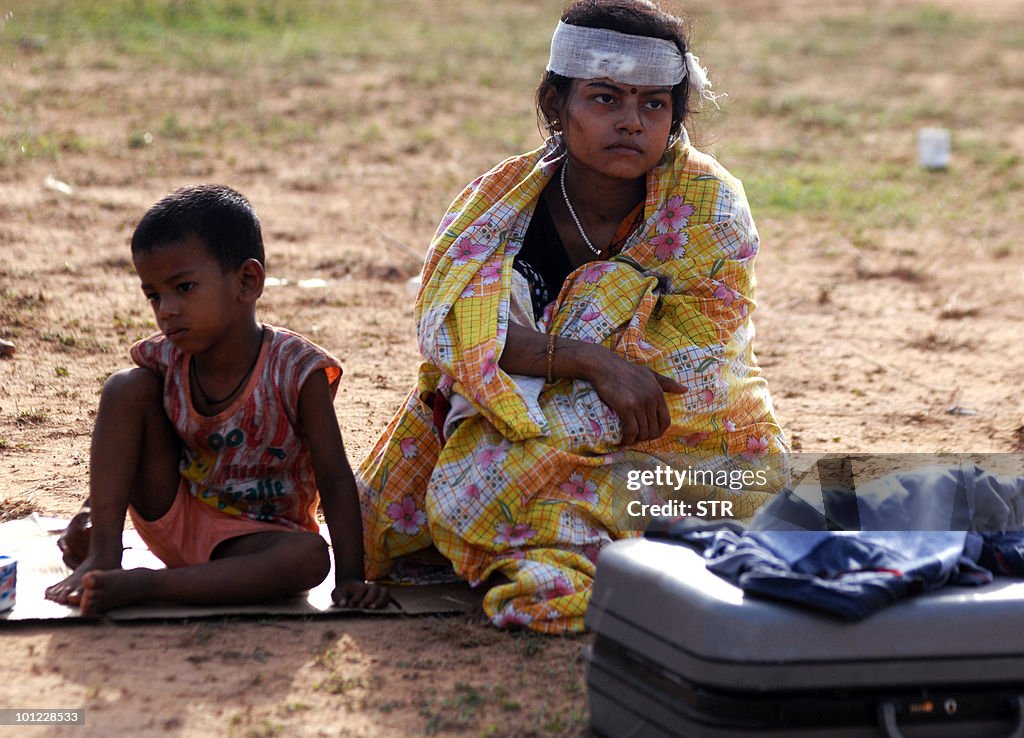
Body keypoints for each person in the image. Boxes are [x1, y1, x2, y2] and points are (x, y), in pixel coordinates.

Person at [357, 0, 788, 633]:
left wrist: (572, 376)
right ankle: (565, 535)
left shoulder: (708, 205)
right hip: (536, 405)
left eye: (653, 105)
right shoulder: (500, 207)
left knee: (482, 480)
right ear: (556, 105)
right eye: (605, 99)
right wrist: (590, 359)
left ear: (674, 118)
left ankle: (564, 541)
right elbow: (459, 335)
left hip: (683, 439)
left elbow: (699, 371)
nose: (631, 123)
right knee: (377, 521)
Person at [45, 184, 389, 615]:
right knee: (124, 387)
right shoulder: (163, 359)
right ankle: (106, 558)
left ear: (247, 281)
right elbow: (125, 446)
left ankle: (151, 586)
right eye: (154, 295)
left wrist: (352, 578)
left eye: (183, 287)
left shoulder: (298, 370)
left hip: (258, 541)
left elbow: (335, 478)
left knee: (310, 557)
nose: (166, 309)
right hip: (174, 515)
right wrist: (92, 514)